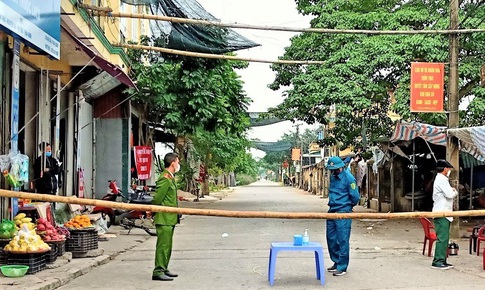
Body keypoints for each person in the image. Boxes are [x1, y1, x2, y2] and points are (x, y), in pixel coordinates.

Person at [325, 156, 360, 276]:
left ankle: (342, 266)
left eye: (334, 169)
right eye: (331, 169)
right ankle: (336, 261)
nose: (333, 171)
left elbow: (355, 197)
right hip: (332, 210)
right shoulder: (333, 177)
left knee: (343, 239)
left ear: (340, 167)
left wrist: (348, 207)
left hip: (343, 211)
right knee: (331, 239)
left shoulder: (349, 178)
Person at [152, 153, 180, 281]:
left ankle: (164, 268)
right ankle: (158, 271)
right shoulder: (165, 178)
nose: (178, 164)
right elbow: (157, 198)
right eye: (178, 162)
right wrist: (152, 212)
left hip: (170, 218)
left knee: (168, 245)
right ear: (173, 163)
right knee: (163, 245)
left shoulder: (171, 178)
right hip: (164, 218)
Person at [431, 159, 457, 270]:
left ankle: (442, 260)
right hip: (441, 213)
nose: (449, 171)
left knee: (445, 238)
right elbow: (450, 194)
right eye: (449, 169)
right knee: (442, 238)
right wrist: (454, 191)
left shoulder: (441, 179)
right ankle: (438, 261)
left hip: (444, 212)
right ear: (445, 169)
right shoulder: (442, 179)